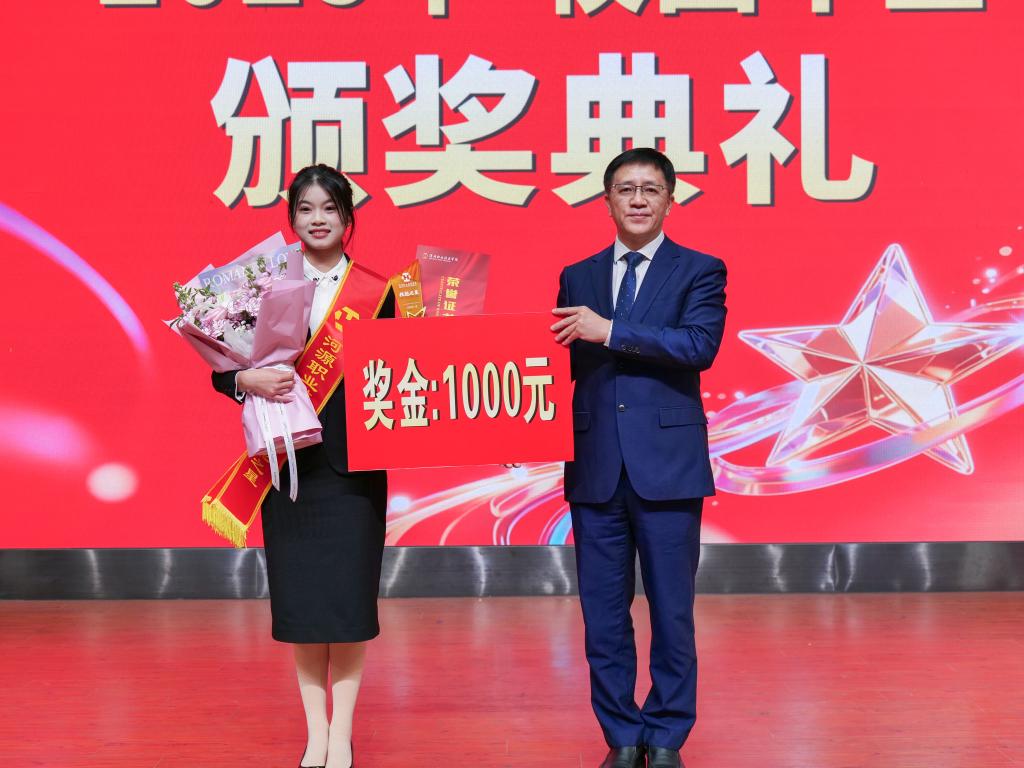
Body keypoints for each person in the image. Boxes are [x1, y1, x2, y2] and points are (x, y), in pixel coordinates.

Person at [551, 148, 727, 768]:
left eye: (650, 189)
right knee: (602, 616)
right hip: (594, 465)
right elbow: (558, 363)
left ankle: (668, 734)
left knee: (673, 613)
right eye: (625, 189)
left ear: (670, 200)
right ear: (606, 201)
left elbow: (698, 346)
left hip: (669, 467)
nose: (638, 199)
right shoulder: (577, 275)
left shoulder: (700, 270)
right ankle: (622, 736)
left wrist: (611, 330)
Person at [212, 165, 394, 768]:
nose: (318, 219)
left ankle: (342, 734)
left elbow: (405, 378)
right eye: (306, 209)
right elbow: (221, 368)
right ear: (291, 218)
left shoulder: (380, 292)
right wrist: (247, 379)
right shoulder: (263, 284)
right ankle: (316, 734)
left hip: (355, 472)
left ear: (348, 217)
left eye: (330, 208)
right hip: (288, 469)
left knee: (348, 607)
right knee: (304, 607)